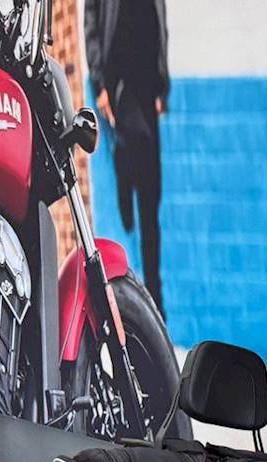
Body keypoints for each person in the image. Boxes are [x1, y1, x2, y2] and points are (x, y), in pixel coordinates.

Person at [83, 0, 169, 311]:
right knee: (138, 146)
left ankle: (155, 292)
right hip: (120, 82)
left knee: (151, 196)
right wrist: (99, 84)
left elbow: (160, 21)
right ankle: (122, 160)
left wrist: (162, 84)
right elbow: (91, 23)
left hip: (148, 87)